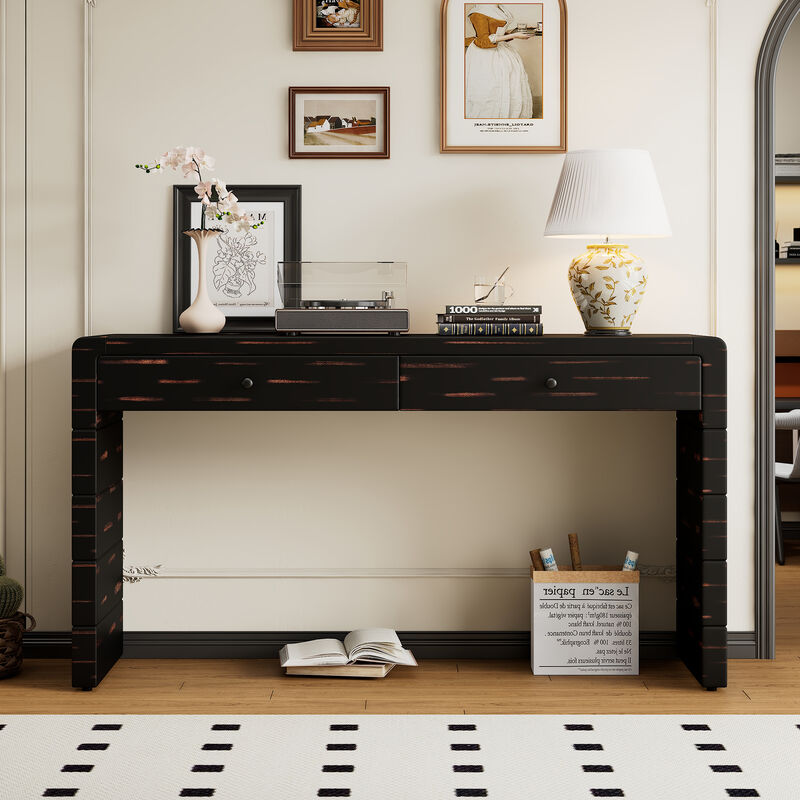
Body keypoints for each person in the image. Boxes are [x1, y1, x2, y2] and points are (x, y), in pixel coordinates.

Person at [465, 4, 534, 119]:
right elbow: (484, 40)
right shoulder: (478, 12)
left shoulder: (500, 8)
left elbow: (498, 35)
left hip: (503, 51)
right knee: (490, 86)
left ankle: (508, 116)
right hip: (485, 54)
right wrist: (515, 35)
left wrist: (516, 32)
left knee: (512, 83)